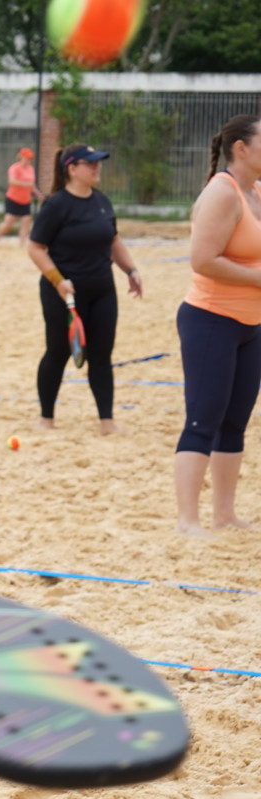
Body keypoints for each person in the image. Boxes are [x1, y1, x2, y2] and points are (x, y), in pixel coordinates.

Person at [173, 115, 261, 537]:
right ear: (241, 148)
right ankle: (187, 520)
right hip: (211, 319)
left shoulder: (256, 191)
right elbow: (203, 260)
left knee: (235, 421)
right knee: (203, 418)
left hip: (251, 323)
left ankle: (223, 514)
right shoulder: (222, 192)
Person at [27, 144, 143, 436]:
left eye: (98, 162)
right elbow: (36, 247)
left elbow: (113, 240)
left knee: (101, 356)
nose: (96, 167)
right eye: (90, 163)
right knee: (57, 353)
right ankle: (46, 418)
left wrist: (130, 270)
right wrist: (57, 280)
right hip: (64, 293)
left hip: (102, 290)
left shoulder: (102, 201)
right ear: (72, 168)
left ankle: (107, 422)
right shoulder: (56, 205)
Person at [0, 147, 39, 249]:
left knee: (26, 222)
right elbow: (12, 181)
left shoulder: (31, 169)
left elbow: (32, 185)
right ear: (21, 157)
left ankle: (22, 245)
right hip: (13, 198)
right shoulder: (14, 168)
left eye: (30, 158)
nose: (29, 160)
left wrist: (37, 193)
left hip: (25, 200)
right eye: (27, 158)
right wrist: (25, 184)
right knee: (8, 222)